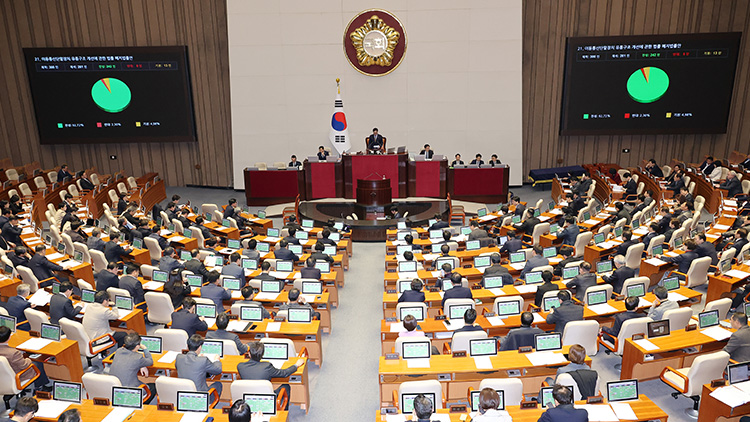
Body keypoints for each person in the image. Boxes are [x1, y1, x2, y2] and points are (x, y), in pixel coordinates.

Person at [237, 341, 300, 410]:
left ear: (249, 354)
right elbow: (284, 373)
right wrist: (296, 365)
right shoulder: (267, 366)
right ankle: (284, 413)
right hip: (266, 399)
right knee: (286, 386)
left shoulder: (240, 366)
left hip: (249, 398)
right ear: (262, 354)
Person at [0, 326, 51, 391]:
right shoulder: (13, 353)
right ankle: (40, 387)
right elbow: (24, 365)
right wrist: (28, 359)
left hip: (3, 375)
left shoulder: (12, 352)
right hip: (17, 375)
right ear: (9, 337)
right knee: (37, 363)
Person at [109, 332, 155, 401]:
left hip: (114, 389)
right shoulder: (138, 358)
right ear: (137, 346)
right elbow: (150, 361)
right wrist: (145, 349)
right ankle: (138, 403)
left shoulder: (118, 351)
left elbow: (130, 360)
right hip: (129, 392)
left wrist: (141, 365)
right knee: (153, 387)